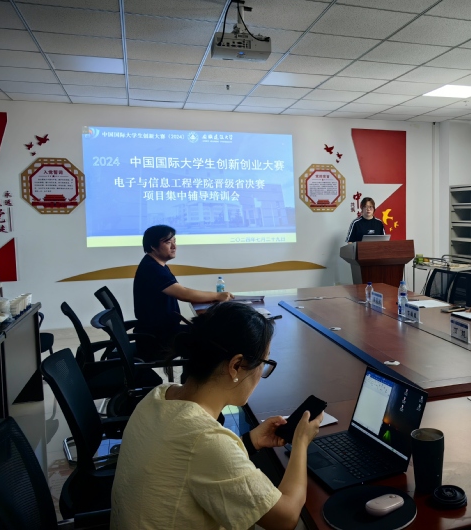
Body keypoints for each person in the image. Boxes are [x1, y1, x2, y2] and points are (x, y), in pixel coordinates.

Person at [111, 302, 324, 530]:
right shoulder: (205, 440)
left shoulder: (159, 395)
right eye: (263, 363)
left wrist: (249, 442)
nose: (261, 373)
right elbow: (285, 519)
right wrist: (300, 443)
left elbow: (189, 461)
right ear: (236, 365)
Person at [133, 225, 233, 358]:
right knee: (214, 338)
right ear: (153, 246)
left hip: (162, 331)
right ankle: (199, 372)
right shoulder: (152, 269)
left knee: (209, 332)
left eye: (175, 241)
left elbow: (181, 291)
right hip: (158, 339)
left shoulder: (156, 265)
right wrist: (217, 295)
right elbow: (183, 293)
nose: (174, 246)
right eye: (168, 242)